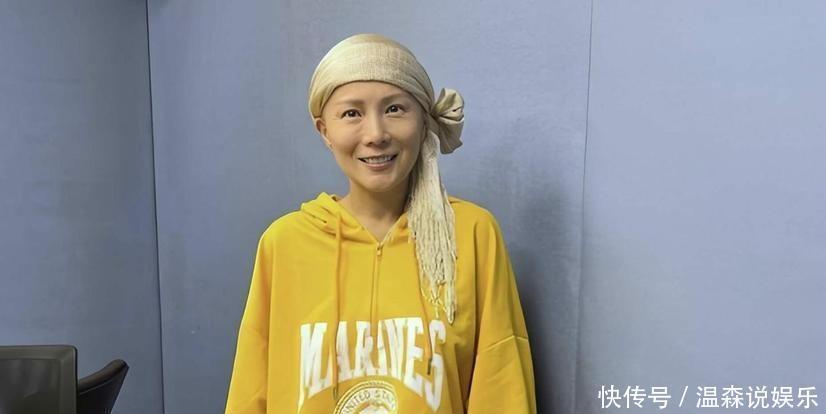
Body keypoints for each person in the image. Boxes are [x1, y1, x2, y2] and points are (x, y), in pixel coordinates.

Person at [225, 33, 536, 414]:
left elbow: (501, 388)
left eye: (394, 109)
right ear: (324, 130)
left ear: (423, 120)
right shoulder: (284, 244)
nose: (375, 135)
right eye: (351, 114)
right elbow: (251, 392)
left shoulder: (472, 234)